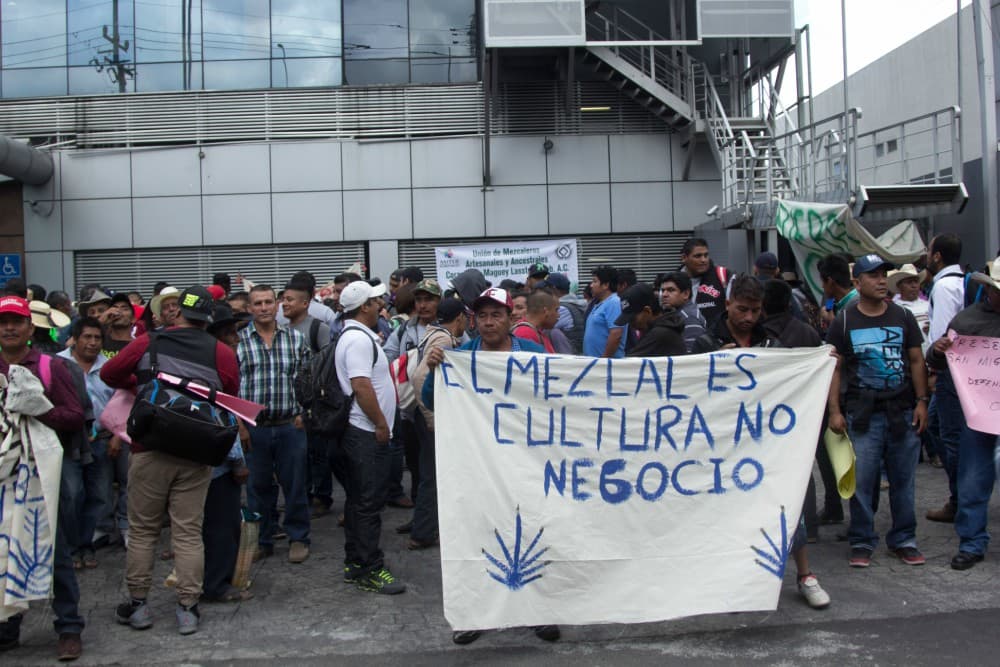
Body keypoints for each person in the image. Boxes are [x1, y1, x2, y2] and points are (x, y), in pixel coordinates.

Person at [101, 286, 239, 635]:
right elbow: (229, 395)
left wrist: (146, 381)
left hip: (150, 448)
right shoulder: (221, 352)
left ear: (177, 312)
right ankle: (188, 608)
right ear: (208, 316)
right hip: (196, 452)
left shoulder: (150, 342)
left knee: (144, 530)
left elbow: (109, 374)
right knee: (189, 531)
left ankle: (138, 606)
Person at [422, 289, 557, 644]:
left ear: (510, 318)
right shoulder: (461, 358)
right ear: (473, 321)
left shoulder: (533, 354)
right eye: (482, 316)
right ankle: (475, 614)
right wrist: (436, 368)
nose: (489, 322)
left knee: (532, 533)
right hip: (477, 465)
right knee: (477, 536)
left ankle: (538, 612)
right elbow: (429, 399)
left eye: (496, 315)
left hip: (527, 463)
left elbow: (561, 394)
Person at [826, 255, 929, 569]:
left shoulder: (903, 316)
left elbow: (915, 360)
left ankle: (904, 540)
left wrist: (922, 401)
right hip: (862, 415)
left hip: (902, 411)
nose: (881, 280)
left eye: (883, 274)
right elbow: (835, 368)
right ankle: (862, 539)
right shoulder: (844, 320)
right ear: (857, 283)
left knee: (903, 482)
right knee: (863, 483)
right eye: (872, 275)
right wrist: (834, 411)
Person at [0, 296, 87, 661]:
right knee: (4, 549)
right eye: (3, 321)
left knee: (53, 550)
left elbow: (75, 416)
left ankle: (68, 627)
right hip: (4, 475)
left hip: (42, 474)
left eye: (16, 321)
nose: (9, 327)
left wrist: (38, 409)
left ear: (30, 328)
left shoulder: (50, 367)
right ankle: (8, 627)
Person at [925, 258, 1000, 570]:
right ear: (988, 289)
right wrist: (938, 350)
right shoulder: (967, 321)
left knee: (974, 476)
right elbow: (938, 362)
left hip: (980, 412)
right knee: (972, 479)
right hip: (979, 415)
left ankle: (972, 541)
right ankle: (971, 543)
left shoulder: (968, 320)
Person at [335, 280, 406, 595]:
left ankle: (356, 563)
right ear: (364, 307)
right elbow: (361, 386)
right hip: (365, 432)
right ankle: (369, 568)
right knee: (367, 503)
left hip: (363, 431)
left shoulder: (357, 336)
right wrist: (380, 423)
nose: (382, 305)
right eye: (376, 301)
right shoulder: (358, 341)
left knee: (359, 501)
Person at [238, 285, 311, 564]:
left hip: (289, 425)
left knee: (295, 485)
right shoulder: (241, 342)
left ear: (277, 305)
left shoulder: (295, 339)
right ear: (250, 308)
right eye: (258, 303)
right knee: (257, 488)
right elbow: (233, 389)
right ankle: (262, 540)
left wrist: (305, 414)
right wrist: (240, 425)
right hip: (254, 427)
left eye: (269, 302)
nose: (264, 307)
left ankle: (298, 538)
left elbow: (308, 379)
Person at [405, 298, 468, 550]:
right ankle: (423, 532)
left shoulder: (431, 333)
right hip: (431, 416)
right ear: (460, 318)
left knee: (428, 473)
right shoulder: (443, 339)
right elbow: (421, 377)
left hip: (424, 415)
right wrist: (432, 417)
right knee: (433, 475)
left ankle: (424, 526)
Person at [202, 303, 252, 601]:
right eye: (231, 333)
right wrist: (237, 461)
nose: (236, 338)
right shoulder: (217, 364)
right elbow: (220, 414)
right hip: (218, 460)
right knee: (222, 525)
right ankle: (217, 584)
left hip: (202, 456)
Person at [59, 317, 115, 571]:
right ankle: (71, 548)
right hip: (68, 441)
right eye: (87, 337)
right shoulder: (57, 364)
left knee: (99, 496)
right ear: (75, 338)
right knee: (71, 495)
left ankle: (87, 544)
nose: (92, 343)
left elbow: (122, 402)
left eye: (97, 338)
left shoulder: (110, 368)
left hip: (101, 441)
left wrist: (117, 435)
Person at [923, 233, 968, 524]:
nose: (927, 255)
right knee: (942, 427)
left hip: (951, 371)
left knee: (947, 433)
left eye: (929, 251)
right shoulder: (962, 282)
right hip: (966, 369)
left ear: (937, 256)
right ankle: (963, 496)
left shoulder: (943, 286)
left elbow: (942, 335)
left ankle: (961, 500)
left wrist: (933, 370)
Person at [692, 274, 777, 353]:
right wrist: (715, 360)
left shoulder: (771, 344)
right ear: (728, 305)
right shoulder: (705, 344)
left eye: (755, 311)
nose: (749, 318)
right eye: (742, 310)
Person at [617, 283, 686, 357]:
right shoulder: (660, 328)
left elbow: (630, 364)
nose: (631, 325)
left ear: (647, 311)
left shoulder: (660, 333)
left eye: (632, 319)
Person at [679, 238, 728, 325]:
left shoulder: (723, 276)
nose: (703, 260)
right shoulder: (673, 283)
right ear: (684, 258)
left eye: (706, 255)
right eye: (698, 256)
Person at [583, 265, 626, 358]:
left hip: (606, 366)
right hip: (595, 363)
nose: (591, 285)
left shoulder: (614, 302)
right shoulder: (599, 304)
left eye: (595, 281)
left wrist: (604, 360)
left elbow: (616, 334)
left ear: (606, 285)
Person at [659, 272, 707, 353]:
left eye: (671, 290)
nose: (664, 294)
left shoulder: (689, 317)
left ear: (686, 294)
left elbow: (691, 355)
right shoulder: (680, 314)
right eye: (663, 290)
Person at [888, 264, 929, 350]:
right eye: (909, 282)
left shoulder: (928, 305)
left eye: (916, 281)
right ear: (899, 286)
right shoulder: (895, 309)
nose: (914, 285)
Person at [100, 292, 136, 358]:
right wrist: (101, 320)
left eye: (124, 309)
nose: (118, 311)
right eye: (114, 308)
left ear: (133, 319)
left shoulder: (137, 346)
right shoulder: (99, 340)